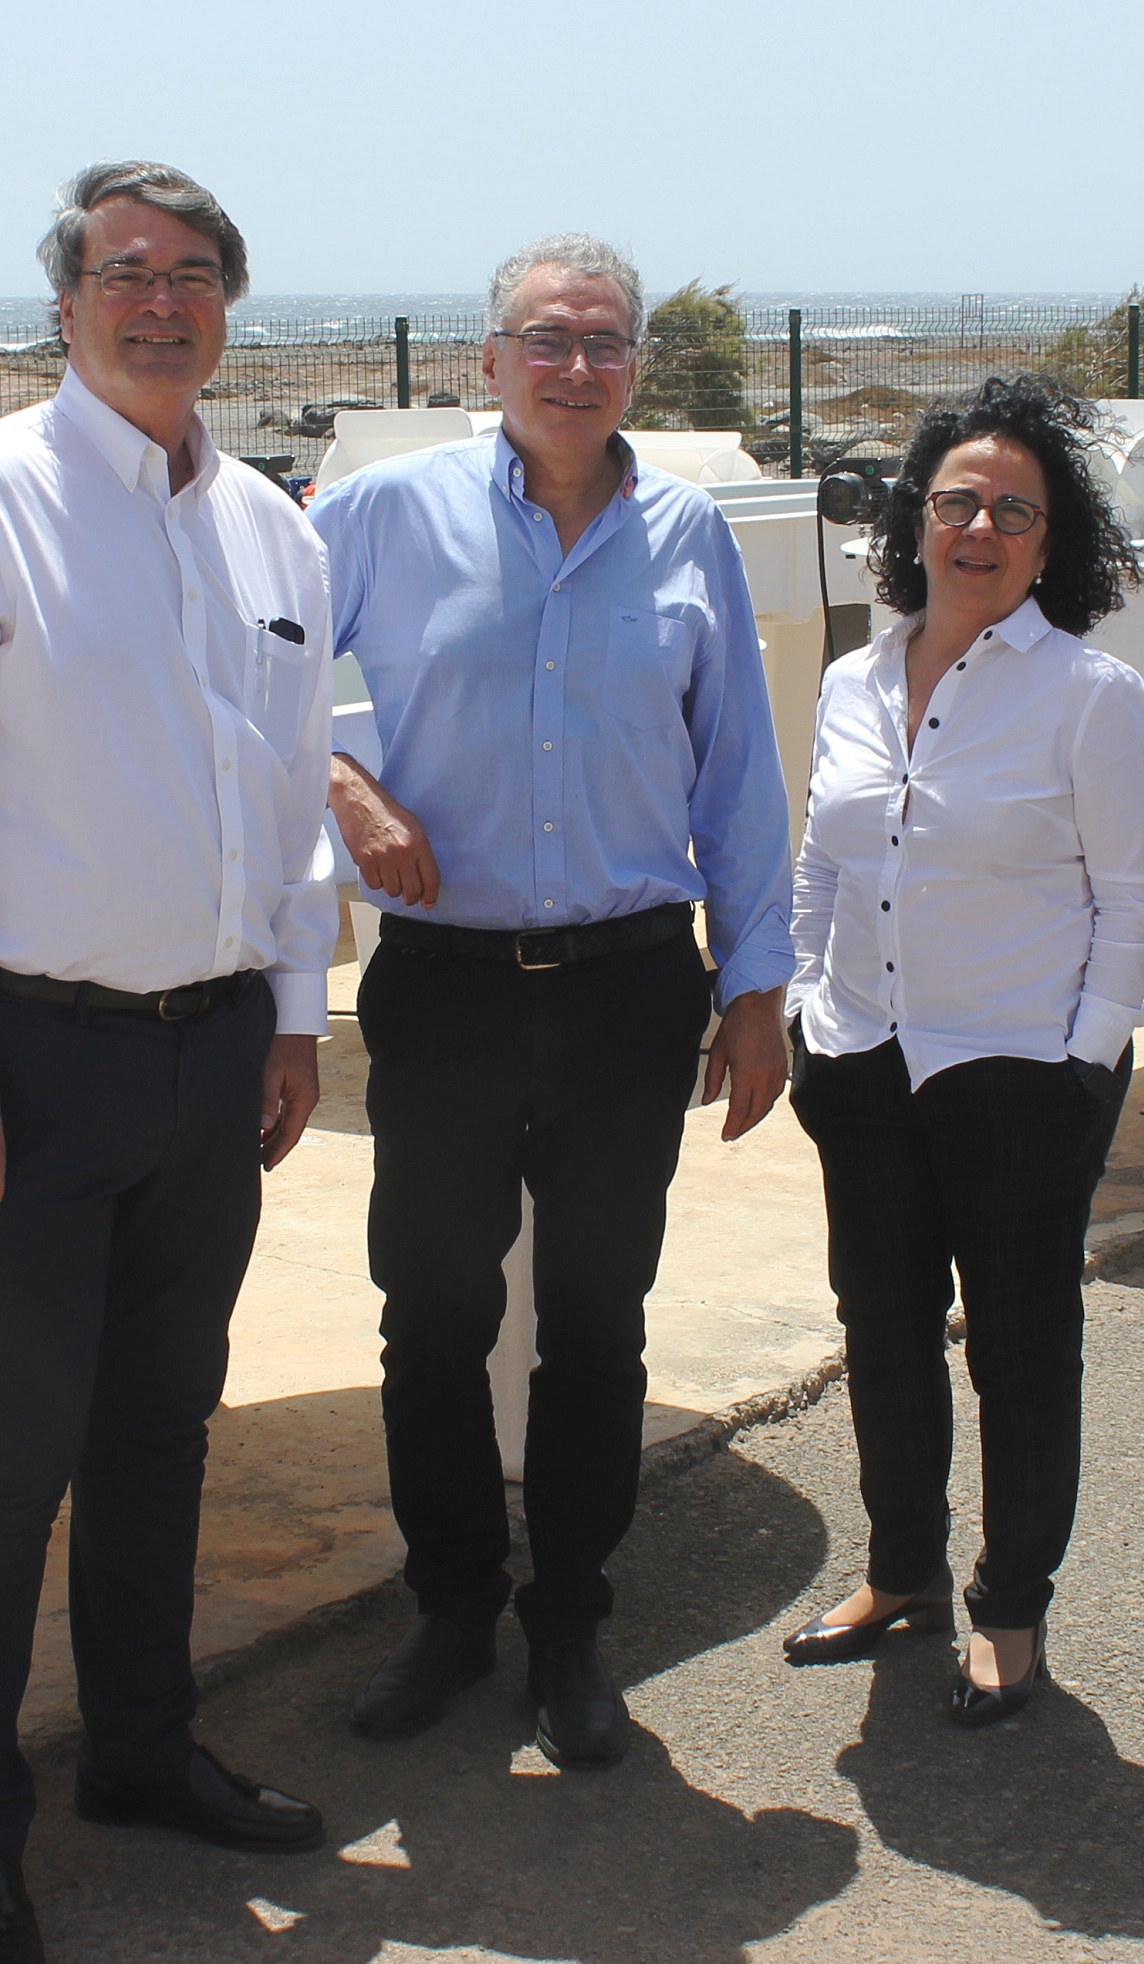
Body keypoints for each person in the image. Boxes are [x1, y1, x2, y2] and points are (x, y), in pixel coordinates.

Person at [0, 160, 337, 1964]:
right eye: (125, 270)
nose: (160, 299)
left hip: (217, 1060)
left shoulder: (277, 531)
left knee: (160, 1428)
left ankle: (140, 1748)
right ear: (66, 302)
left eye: (195, 272)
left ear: (228, 306)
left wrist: (293, 1013)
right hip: (30, 1066)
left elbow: (294, 800)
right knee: (8, 1451)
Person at [313, 234, 795, 1770]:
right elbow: (236, 679)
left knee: (597, 1324)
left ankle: (573, 1622)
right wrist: (340, 781)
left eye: (604, 343)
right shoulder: (386, 514)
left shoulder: (690, 535)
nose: (574, 367)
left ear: (635, 369)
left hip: (628, 988)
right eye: (546, 338)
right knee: (434, 1316)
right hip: (444, 989)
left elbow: (738, 769)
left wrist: (760, 980)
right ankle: (453, 1609)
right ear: (490, 360)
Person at [776, 373, 1144, 1727]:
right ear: (916, 518)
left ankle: (1010, 1608)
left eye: (1015, 507)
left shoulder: (1089, 694)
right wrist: (804, 1016)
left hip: (1018, 1069)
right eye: (958, 500)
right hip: (865, 1059)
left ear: (1051, 542)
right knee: (881, 1332)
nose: (981, 526)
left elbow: (1133, 897)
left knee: (1020, 1344)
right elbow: (824, 864)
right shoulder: (852, 679)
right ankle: (899, 1573)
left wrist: (1085, 1059)